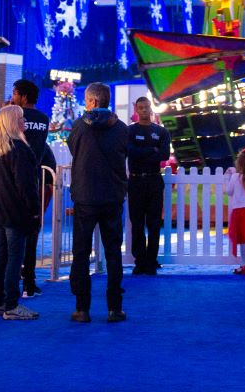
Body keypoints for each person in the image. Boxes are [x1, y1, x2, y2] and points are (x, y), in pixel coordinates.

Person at [67, 81, 129, 323]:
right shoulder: (122, 128)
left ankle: (82, 308)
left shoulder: (79, 127)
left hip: (85, 196)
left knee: (81, 253)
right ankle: (115, 308)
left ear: (92, 102)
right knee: (113, 253)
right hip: (112, 196)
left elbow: (74, 151)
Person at [0, 105, 41, 320]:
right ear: (13, 122)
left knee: (1, 257)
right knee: (15, 258)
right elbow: (26, 185)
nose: (25, 122)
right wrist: (34, 210)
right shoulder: (19, 149)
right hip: (14, 211)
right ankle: (12, 305)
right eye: (21, 119)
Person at [9, 79, 55, 298]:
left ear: (24, 96)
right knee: (32, 231)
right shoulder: (43, 119)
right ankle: (29, 282)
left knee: (11, 232)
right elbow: (44, 149)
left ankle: (10, 282)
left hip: (12, 180)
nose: (12, 97)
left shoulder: (13, 117)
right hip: (35, 179)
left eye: (15, 93)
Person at [127, 96, 169, 275]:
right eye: (141, 107)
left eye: (147, 107)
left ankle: (151, 261)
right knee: (136, 223)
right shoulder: (129, 131)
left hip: (154, 181)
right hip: (135, 181)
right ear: (136, 109)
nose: (144, 110)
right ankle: (140, 261)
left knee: (153, 224)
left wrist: (142, 153)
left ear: (151, 108)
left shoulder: (161, 132)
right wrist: (152, 150)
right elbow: (130, 152)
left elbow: (165, 155)